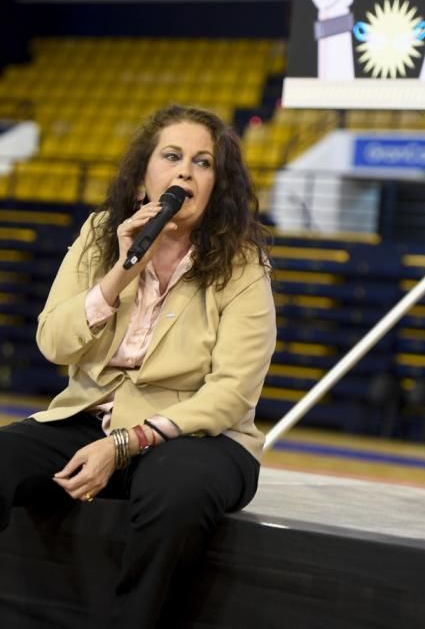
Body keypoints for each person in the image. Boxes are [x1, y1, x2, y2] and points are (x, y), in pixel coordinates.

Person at [0, 104, 277, 628]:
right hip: (89, 417)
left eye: (202, 162)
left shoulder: (241, 262)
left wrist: (125, 444)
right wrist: (118, 276)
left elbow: (232, 394)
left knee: (176, 489)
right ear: (142, 175)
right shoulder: (100, 232)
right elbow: (54, 343)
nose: (184, 172)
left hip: (196, 440)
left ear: (217, 185)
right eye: (171, 156)